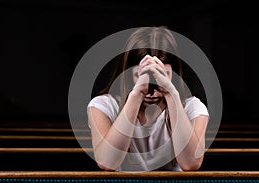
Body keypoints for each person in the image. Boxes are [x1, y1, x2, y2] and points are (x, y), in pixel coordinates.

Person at [87, 27, 209, 171]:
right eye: (140, 75)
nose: (151, 90)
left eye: (162, 75)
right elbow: (107, 163)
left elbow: (191, 164)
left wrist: (171, 94)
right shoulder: (103, 106)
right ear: (126, 74)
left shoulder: (192, 108)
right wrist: (136, 94)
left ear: (174, 75)